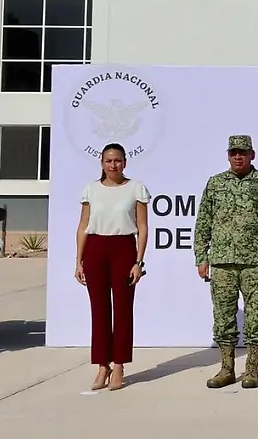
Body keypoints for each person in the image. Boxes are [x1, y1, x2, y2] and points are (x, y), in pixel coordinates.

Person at [193, 134, 258, 390]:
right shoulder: (215, 184)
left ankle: (252, 369)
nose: (238, 157)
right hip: (222, 262)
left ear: (252, 155)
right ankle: (227, 369)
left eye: (243, 153)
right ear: (228, 155)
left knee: (255, 318)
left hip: (256, 263)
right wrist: (201, 257)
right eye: (234, 152)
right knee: (223, 318)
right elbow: (203, 222)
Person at [74, 142, 150, 392]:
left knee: (122, 308)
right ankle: (102, 365)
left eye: (117, 160)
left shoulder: (136, 188)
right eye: (108, 161)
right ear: (102, 164)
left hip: (123, 249)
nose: (113, 165)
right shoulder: (91, 190)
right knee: (99, 310)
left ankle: (119, 365)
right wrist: (79, 260)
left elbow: (142, 227)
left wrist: (138, 262)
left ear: (125, 162)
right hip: (95, 249)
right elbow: (84, 225)